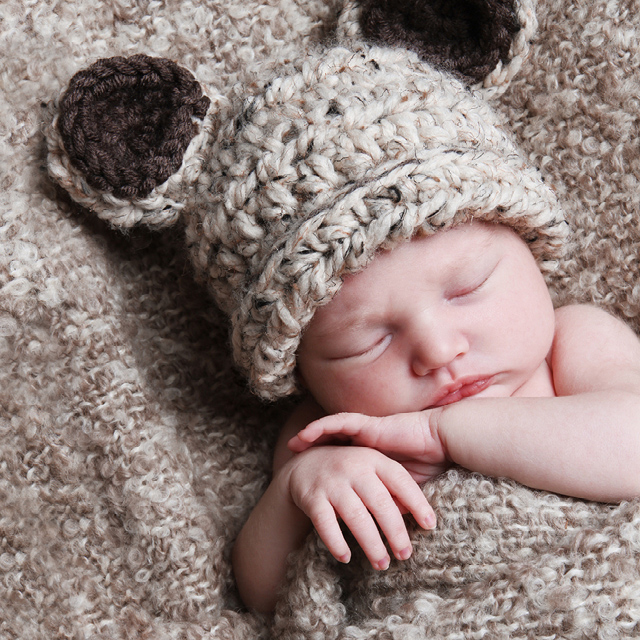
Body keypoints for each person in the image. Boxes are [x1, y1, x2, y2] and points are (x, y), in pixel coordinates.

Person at [232, 220, 640, 612]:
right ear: (305, 375)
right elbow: (266, 598)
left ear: (530, 248)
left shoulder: (573, 344)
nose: (439, 350)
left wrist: (443, 433)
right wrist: (294, 491)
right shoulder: (332, 436)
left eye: (468, 288)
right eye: (366, 343)